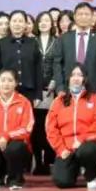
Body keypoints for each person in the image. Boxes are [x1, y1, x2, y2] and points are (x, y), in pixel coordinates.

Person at [46, 63, 96, 189]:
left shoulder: (95, 99)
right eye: (73, 75)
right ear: (69, 78)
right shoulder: (59, 101)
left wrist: (82, 140)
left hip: (87, 145)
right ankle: (74, 170)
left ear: (85, 79)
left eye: (80, 75)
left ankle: (91, 175)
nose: (76, 78)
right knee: (62, 181)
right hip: (67, 149)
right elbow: (51, 128)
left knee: (87, 151)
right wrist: (61, 149)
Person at [0, 68, 34, 190]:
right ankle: (0, 177)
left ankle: (15, 179)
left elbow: (27, 129)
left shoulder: (24, 102)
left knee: (14, 149)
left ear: (16, 83)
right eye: (3, 80)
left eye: (10, 80)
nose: (6, 84)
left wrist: (6, 136)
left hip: (17, 145)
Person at [52, 2, 96, 101]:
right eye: (80, 14)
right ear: (74, 17)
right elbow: (57, 64)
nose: (83, 17)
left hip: (93, 90)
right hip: (67, 90)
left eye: (86, 14)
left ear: (92, 17)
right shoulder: (64, 38)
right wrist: (60, 88)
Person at [32, 11, 60, 176]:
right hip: (35, 90)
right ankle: (38, 162)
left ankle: (49, 161)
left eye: (47, 20)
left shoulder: (57, 41)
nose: (43, 23)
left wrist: (54, 81)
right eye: (41, 20)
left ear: (52, 24)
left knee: (50, 126)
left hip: (51, 89)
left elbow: (59, 63)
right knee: (36, 128)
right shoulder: (31, 41)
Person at [0, 10, 43, 102]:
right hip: (6, 91)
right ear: (9, 24)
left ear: (25, 24)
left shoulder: (33, 43)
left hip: (28, 92)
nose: (17, 24)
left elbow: (38, 70)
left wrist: (38, 95)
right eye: (14, 21)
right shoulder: (1, 44)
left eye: (20, 21)